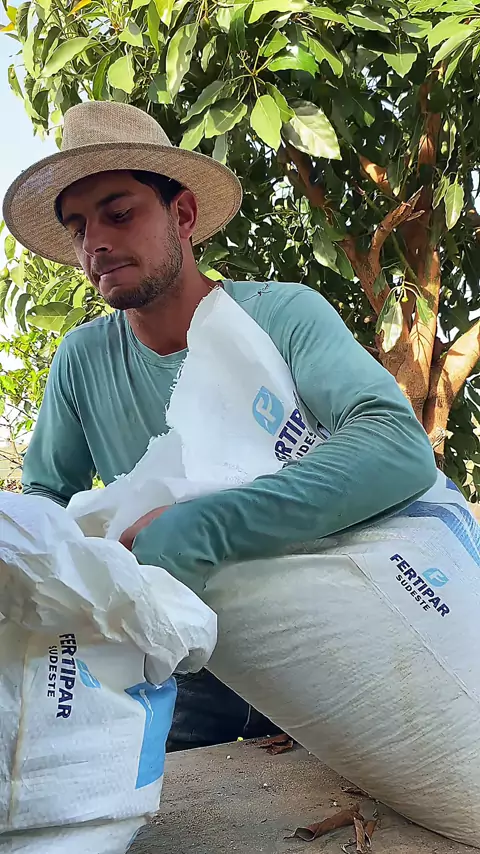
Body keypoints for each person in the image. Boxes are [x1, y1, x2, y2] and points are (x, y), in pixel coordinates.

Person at [3, 101, 437, 749]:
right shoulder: (82, 360)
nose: (95, 243)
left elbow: (397, 447)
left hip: (317, 633)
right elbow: (46, 499)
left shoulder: (282, 316)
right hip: (174, 652)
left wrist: (203, 524)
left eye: (119, 214)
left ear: (182, 215)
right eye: (78, 227)